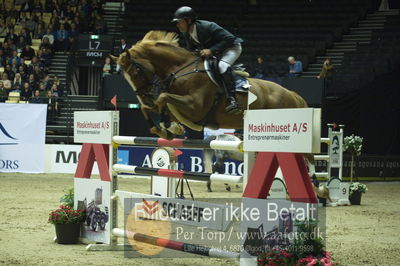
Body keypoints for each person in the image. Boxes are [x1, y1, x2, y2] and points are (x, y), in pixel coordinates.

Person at [172, 6, 243, 114]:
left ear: (189, 21)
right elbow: (191, 50)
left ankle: (232, 100)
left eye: (180, 22)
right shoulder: (186, 34)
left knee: (222, 66)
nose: (177, 25)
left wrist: (211, 50)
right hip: (216, 52)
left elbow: (229, 39)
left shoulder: (208, 26)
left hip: (231, 47)